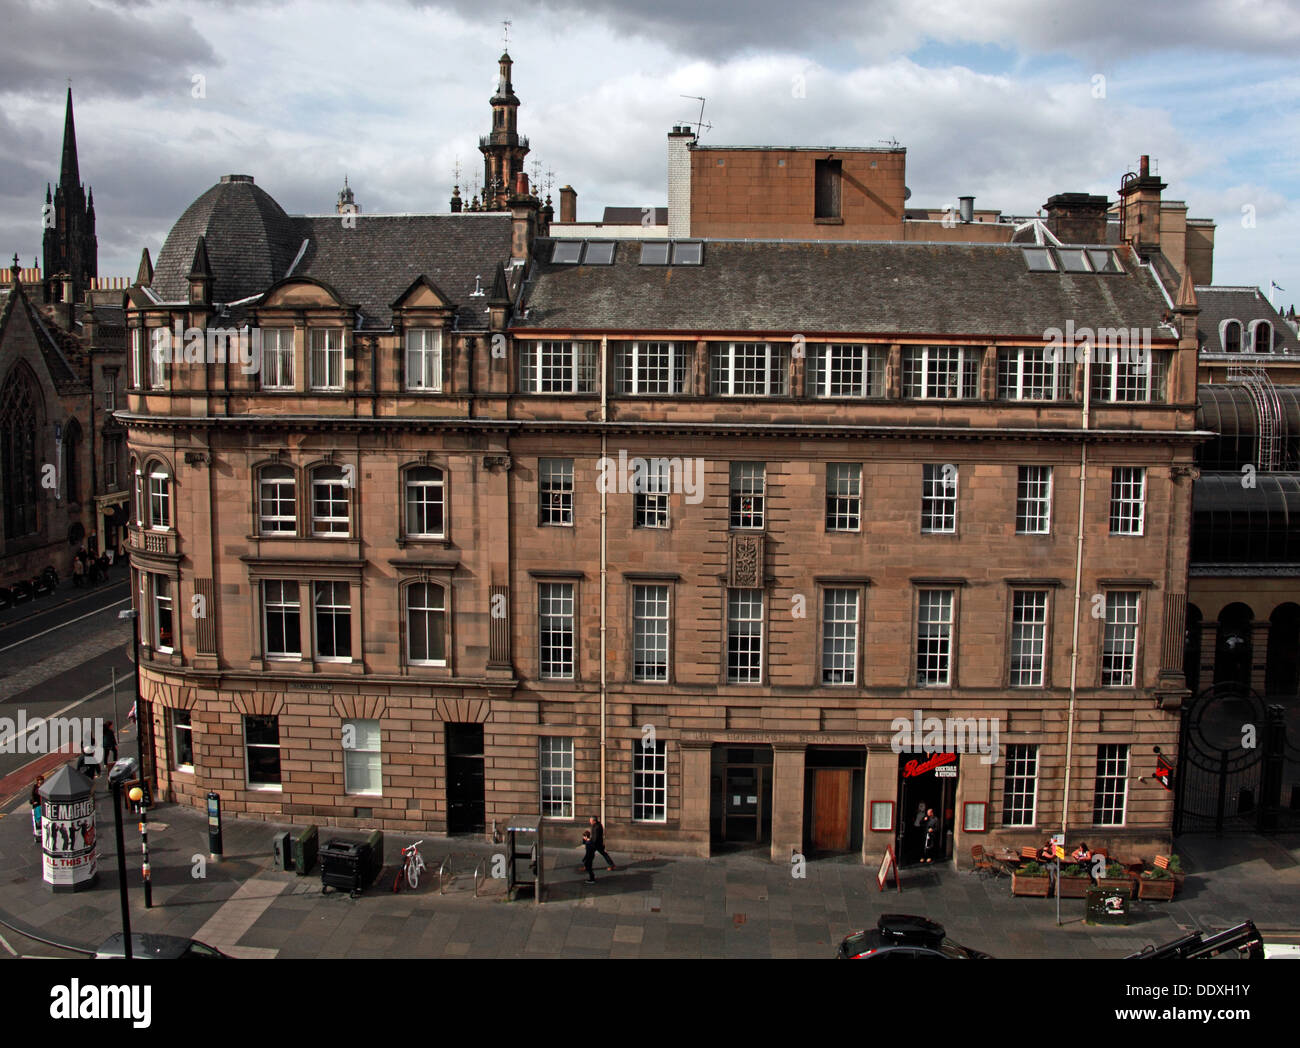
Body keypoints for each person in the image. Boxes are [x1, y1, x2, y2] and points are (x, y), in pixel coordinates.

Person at [30, 775, 45, 843]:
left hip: (43, 802)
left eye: (41, 780)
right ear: (38, 781)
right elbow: (32, 795)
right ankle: (39, 821)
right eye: (39, 780)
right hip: (37, 803)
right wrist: (34, 801)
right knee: (38, 809)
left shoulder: (45, 786)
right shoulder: (35, 787)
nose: (41, 781)